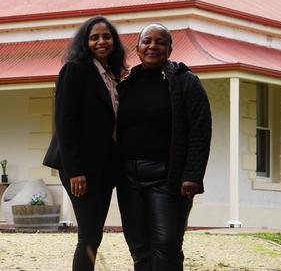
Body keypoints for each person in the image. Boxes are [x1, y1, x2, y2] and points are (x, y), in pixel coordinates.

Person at [116, 23, 211, 271]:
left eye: (160, 42)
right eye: (147, 41)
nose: (153, 46)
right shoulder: (125, 85)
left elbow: (201, 130)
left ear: (170, 49)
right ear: (137, 48)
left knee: (167, 246)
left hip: (167, 178)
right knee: (140, 250)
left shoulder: (186, 82)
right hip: (128, 179)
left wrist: (192, 175)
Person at [43, 16, 126, 271]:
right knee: (89, 234)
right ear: (85, 42)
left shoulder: (112, 76)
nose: (102, 41)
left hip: (103, 166)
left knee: (94, 234)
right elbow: (64, 123)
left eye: (107, 36)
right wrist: (75, 171)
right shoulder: (75, 70)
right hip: (79, 168)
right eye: (95, 37)